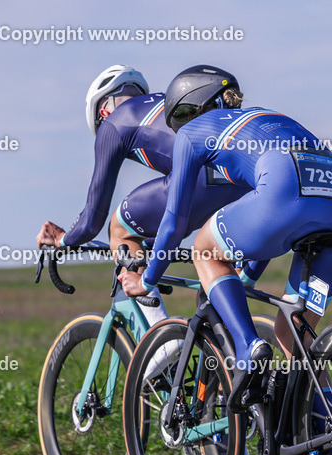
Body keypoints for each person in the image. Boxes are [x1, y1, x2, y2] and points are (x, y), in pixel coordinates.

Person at [117, 65, 332, 455]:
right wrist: (241, 277)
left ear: (187, 110)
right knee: (296, 337)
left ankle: (248, 347)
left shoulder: (195, 133)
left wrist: (149, 279)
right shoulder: (265, 117)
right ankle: (324, 454)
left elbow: (173, 222)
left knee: (203, 250)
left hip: (287, 191)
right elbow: (259, 240)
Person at [36, 64, 246, 322]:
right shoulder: (170, 102)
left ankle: (161, 338)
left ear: (103, 110)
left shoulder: (113, 123)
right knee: (210, 265)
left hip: (198, 180)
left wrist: (63, 239)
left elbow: (92, 220)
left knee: (119, 228)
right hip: (240, 180)